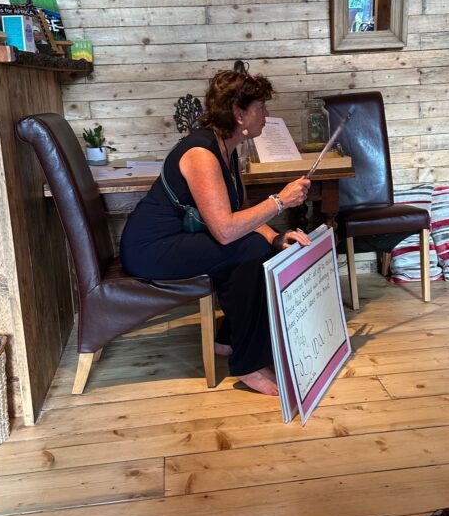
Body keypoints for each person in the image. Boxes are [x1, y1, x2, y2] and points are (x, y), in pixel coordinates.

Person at [120, 65, 311, 397]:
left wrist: (276, 236)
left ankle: (227, 340)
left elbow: (240, 215)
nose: (266, 115)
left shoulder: (226, 148)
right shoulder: (200, 153)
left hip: (176, 240)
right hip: (150, 248)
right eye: (260, 108)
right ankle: (248, 364)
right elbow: (225, 231)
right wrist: (280, 201)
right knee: (247, 250)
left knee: (257, 246)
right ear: (239, 114)